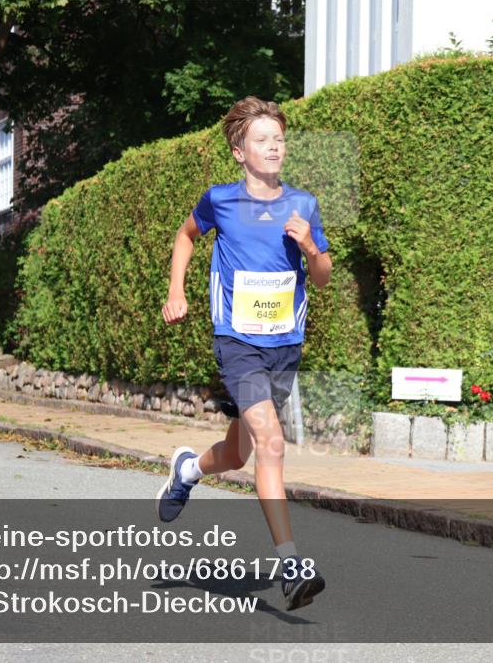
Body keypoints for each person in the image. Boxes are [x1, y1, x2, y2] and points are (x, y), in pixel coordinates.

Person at [157, 96, 333, 611]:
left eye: (279, 138)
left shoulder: (303, 204)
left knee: (239, 454)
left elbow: (323, 277)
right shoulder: (220, 200)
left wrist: (311, 248)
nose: (274, 146)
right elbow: (185, 236)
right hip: (237, 343)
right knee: (272, 443)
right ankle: (291, 565)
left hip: (284, 346)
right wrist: (176, 291)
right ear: (239, 151)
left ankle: (188, 470)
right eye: (262, 139)